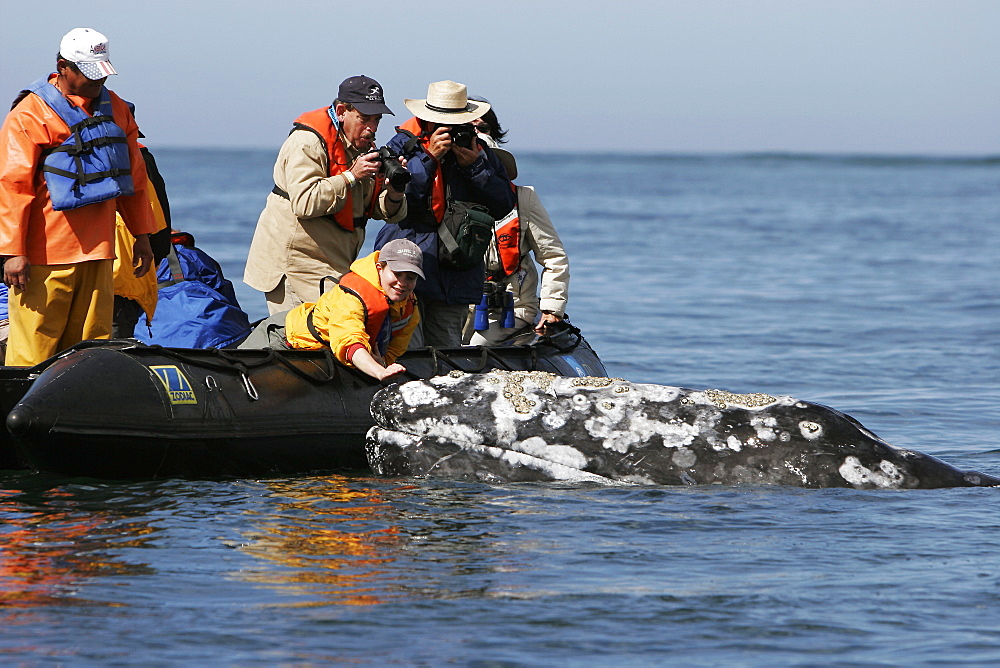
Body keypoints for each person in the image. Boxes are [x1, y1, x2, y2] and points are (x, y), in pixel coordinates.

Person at [0, 28, 156, 367]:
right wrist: (12, 252)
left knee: (89, 350)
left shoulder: (116, 108)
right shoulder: (29, 114)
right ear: (63, 67)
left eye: (100, 71)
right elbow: (13, 187)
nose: (96, 80)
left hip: (99, 253)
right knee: (33, 350)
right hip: (44, 255)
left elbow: (135, 178)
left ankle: (77, 417)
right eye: (88, 73)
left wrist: (143, 236)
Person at [244, 75, 408, 315]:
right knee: (300, 342)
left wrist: (394, 191)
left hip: (333, 264)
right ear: (342, 111)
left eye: (377, 119)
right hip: (296, 266)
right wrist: (351, 176)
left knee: (335, 337)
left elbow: (376, 211)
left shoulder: (361, 147)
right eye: (364, 119)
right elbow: (305, 203)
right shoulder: (307, 143)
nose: (372, 128)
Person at [374, 80, 515, 348]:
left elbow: (504, 205)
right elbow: (396, 200)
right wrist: (429, 157)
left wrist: (475, 167)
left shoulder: (478, 149)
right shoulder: (404, 146)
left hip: (456, 274)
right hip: (407, 267)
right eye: (441, 122)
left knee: (447, 354)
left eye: (455, 123)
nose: (448, 130)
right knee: (404, 351)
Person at [462, 101, 569, 345]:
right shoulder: (443, 194)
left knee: (474, 347)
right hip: (458, 305)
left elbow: (553, 257)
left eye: (483, 128)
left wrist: (552, 308)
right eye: (467, 130)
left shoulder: (523, 198)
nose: (476, 136)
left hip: (511, 309)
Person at [240, 239, 422, 382]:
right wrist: (378, 372)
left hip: (324, 351)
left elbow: (394, 350)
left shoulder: (409, 308)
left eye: (410, 277)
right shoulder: (352, 297)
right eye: (397, 274)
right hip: (283, 337)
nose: (402, 283)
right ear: (379, 268)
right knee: (237, 370)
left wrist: (383, 364)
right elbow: (349, 342)